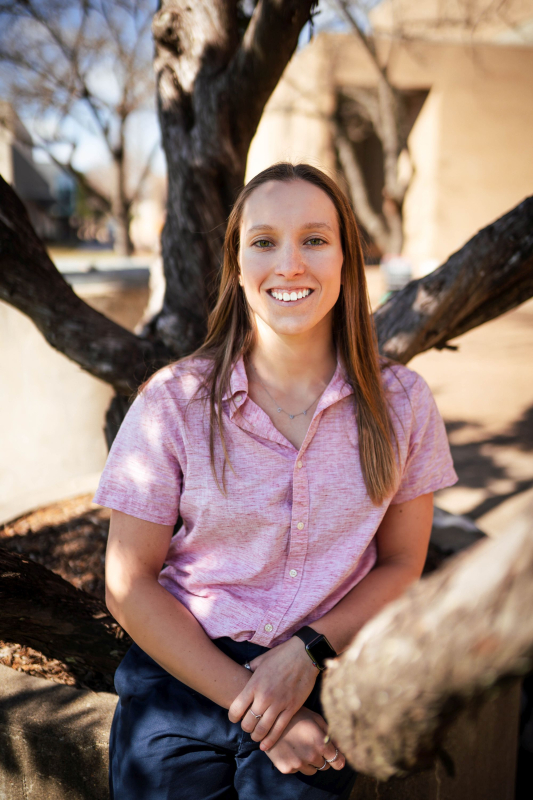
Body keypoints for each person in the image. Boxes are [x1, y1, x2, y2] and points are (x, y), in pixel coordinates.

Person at [94, 162, 457, 800]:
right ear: (237, 266)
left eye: (315, 239)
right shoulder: (173, 402)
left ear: (346, 259)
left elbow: (402, 563)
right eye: (264, 241)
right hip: (184, 674)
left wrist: (307, 654)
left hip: (325, 669)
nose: (289, 263)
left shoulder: (402, 403)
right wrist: (262, 709)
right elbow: (127, 586)